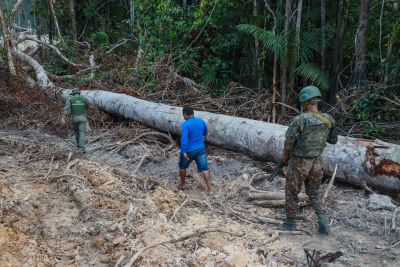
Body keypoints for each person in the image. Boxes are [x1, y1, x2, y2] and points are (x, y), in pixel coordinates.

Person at [281, 86, 338, 234]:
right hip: (317, 162)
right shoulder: (328, 119)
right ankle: (324, 223)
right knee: (314, 193)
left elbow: (289, 141)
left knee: (292, 191)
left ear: (305, 102)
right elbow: (333, 140)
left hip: (300, 162)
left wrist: (286, 156)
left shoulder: (300, 120)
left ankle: (290, 223)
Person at [179, 106, 212, 194]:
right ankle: (210, 189)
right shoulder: (201, 121)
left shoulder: (186, 124)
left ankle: (182, 185)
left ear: (185, 114)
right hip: (200, 149)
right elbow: (205, 133)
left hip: (189, 150)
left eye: (183, 115)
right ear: (193, 113)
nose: (183, 117)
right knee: (204, 168)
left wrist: (183, 151)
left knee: (182, 167)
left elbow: (184, 139)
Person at [61, 88, 89, 155]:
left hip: (74, 118)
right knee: (82, 133)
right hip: (83, 118)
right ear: (79, 93)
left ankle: (79, 147)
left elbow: (67, 109)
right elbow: (88, 105)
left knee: (77, 132)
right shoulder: (84, 98)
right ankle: (82, 149)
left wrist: (63, 117)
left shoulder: (70, 99)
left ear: (73, 93)